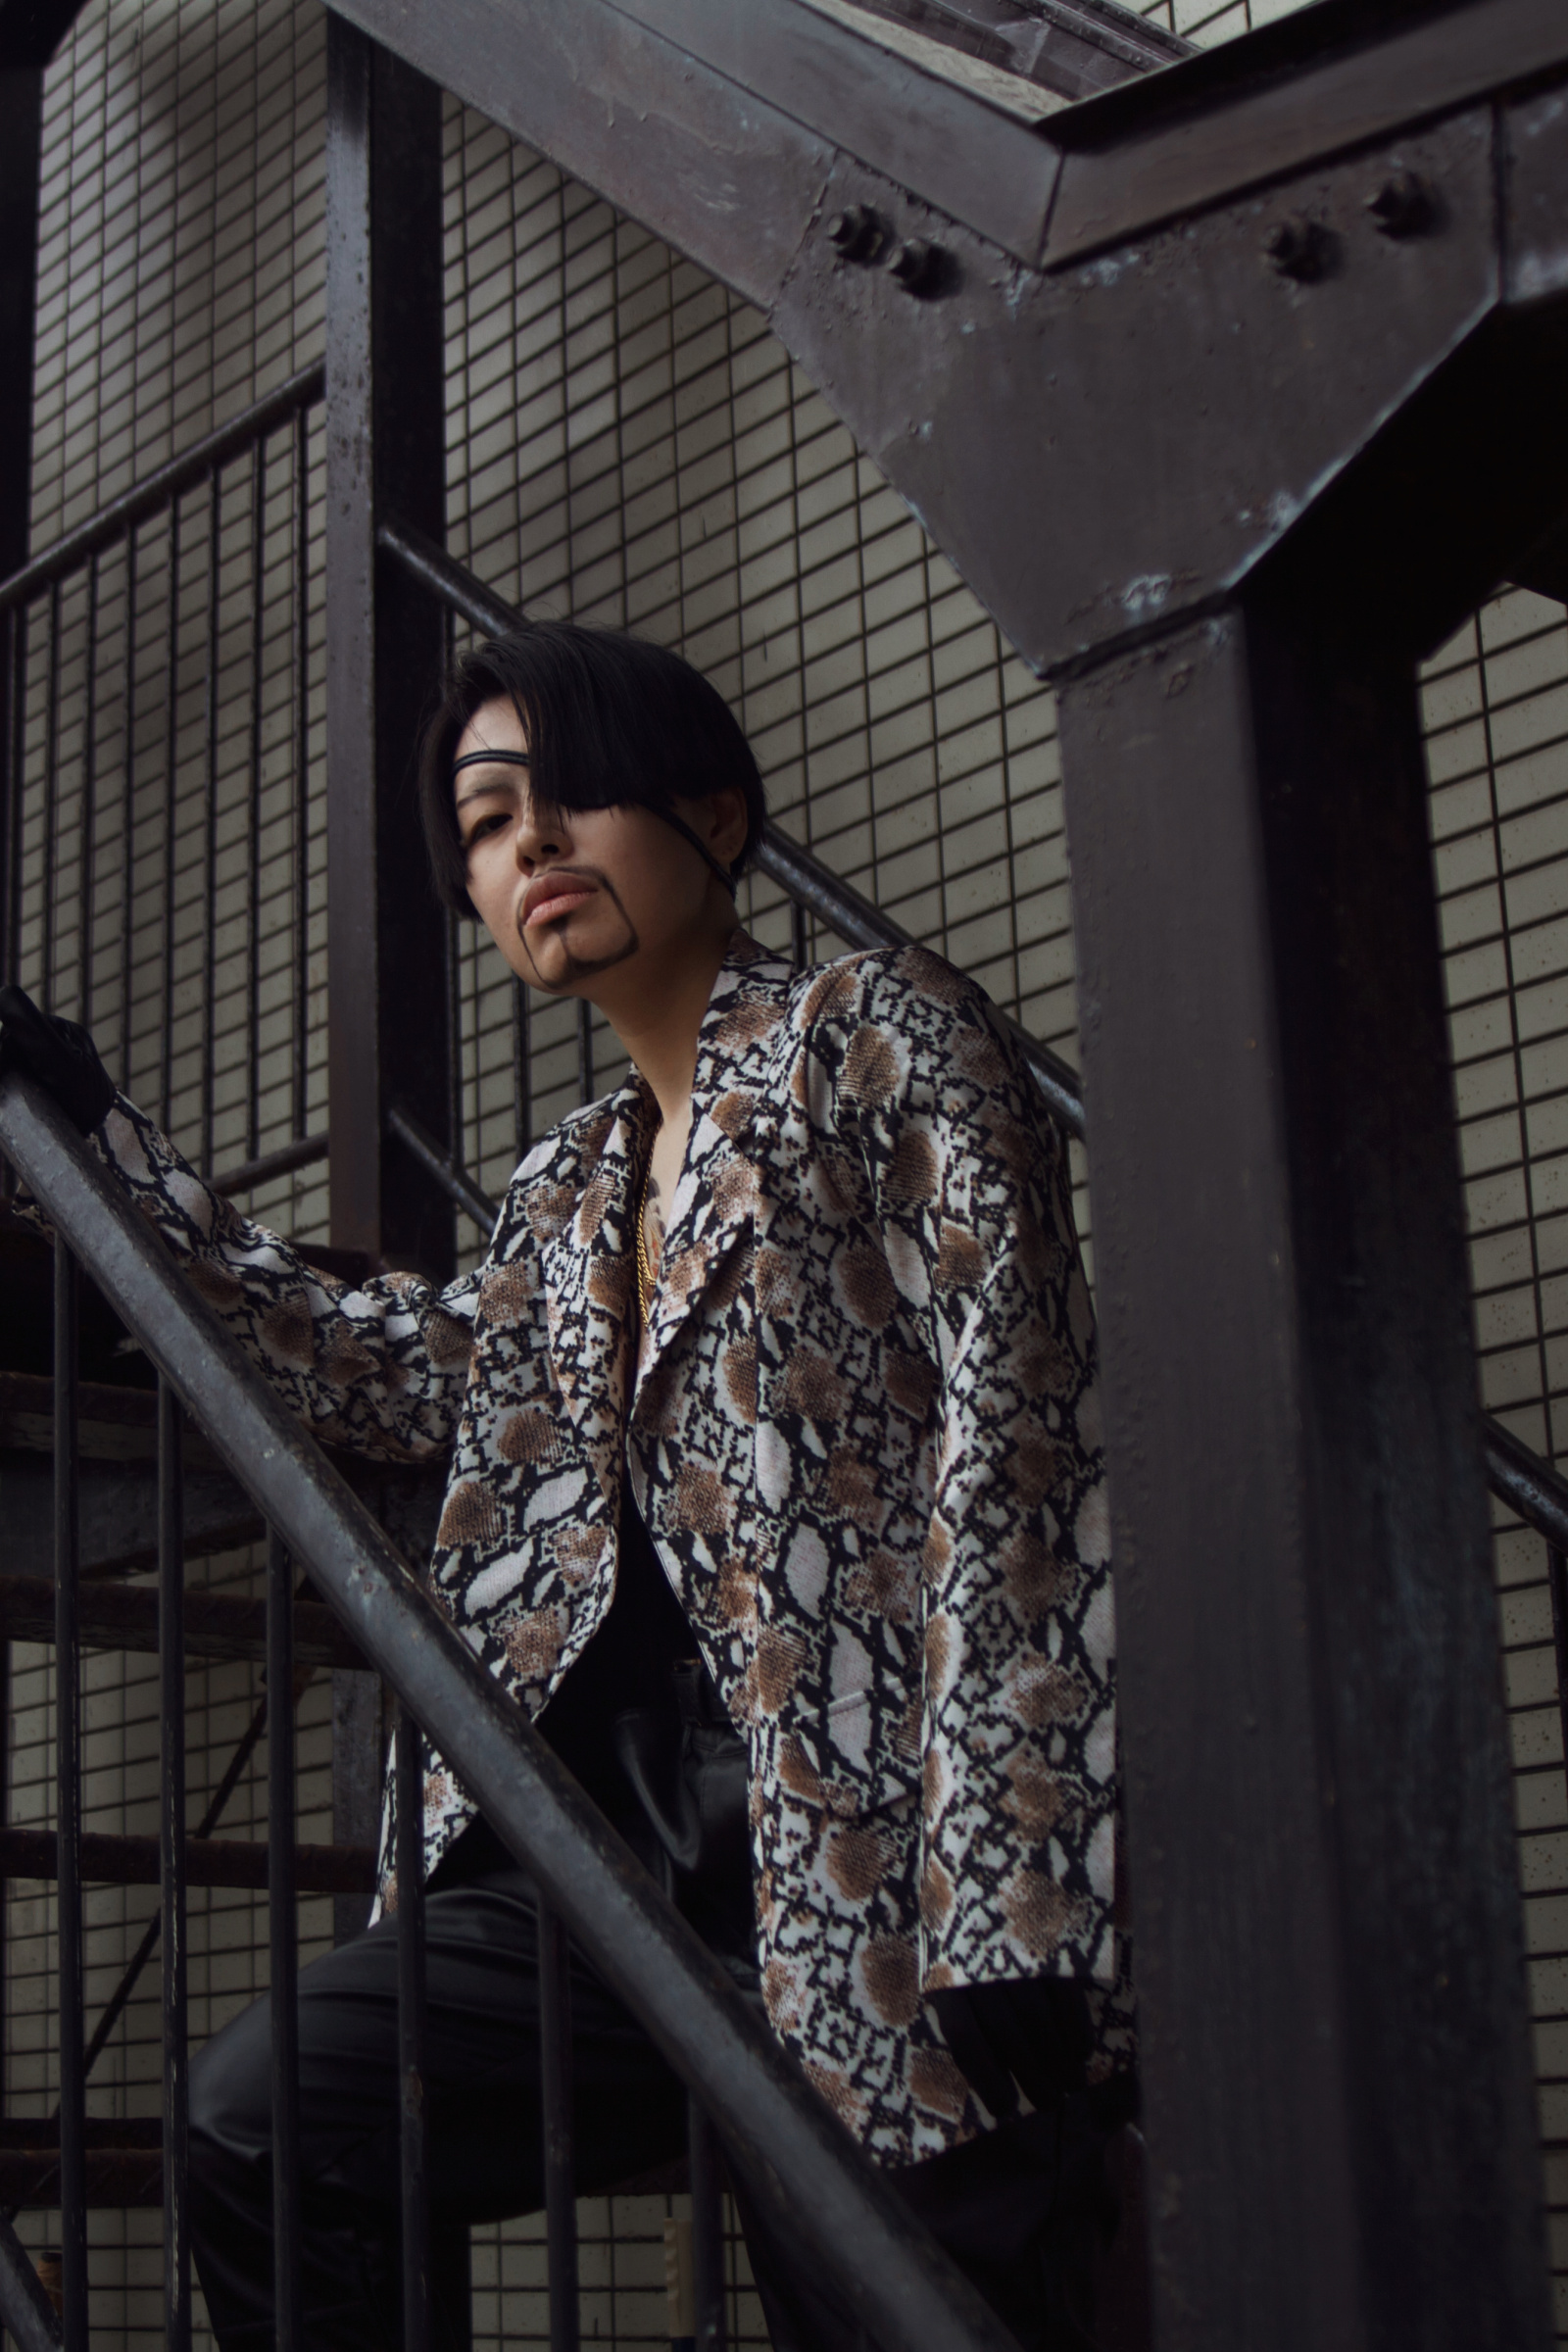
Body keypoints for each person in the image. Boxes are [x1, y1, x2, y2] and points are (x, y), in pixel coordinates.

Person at [0, 621, 1139, 2351]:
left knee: (920, 2307)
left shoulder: (874, 1035)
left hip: (876, 1861)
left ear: (716, 817)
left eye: (569, 791)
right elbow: (367, 1362)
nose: (526, 842)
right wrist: (101, 1146)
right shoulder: (565, 1189)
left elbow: (1023, 1434)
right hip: (602, 1881)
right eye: (481, 824)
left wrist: (1012, 1883)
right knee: (263, 2120)